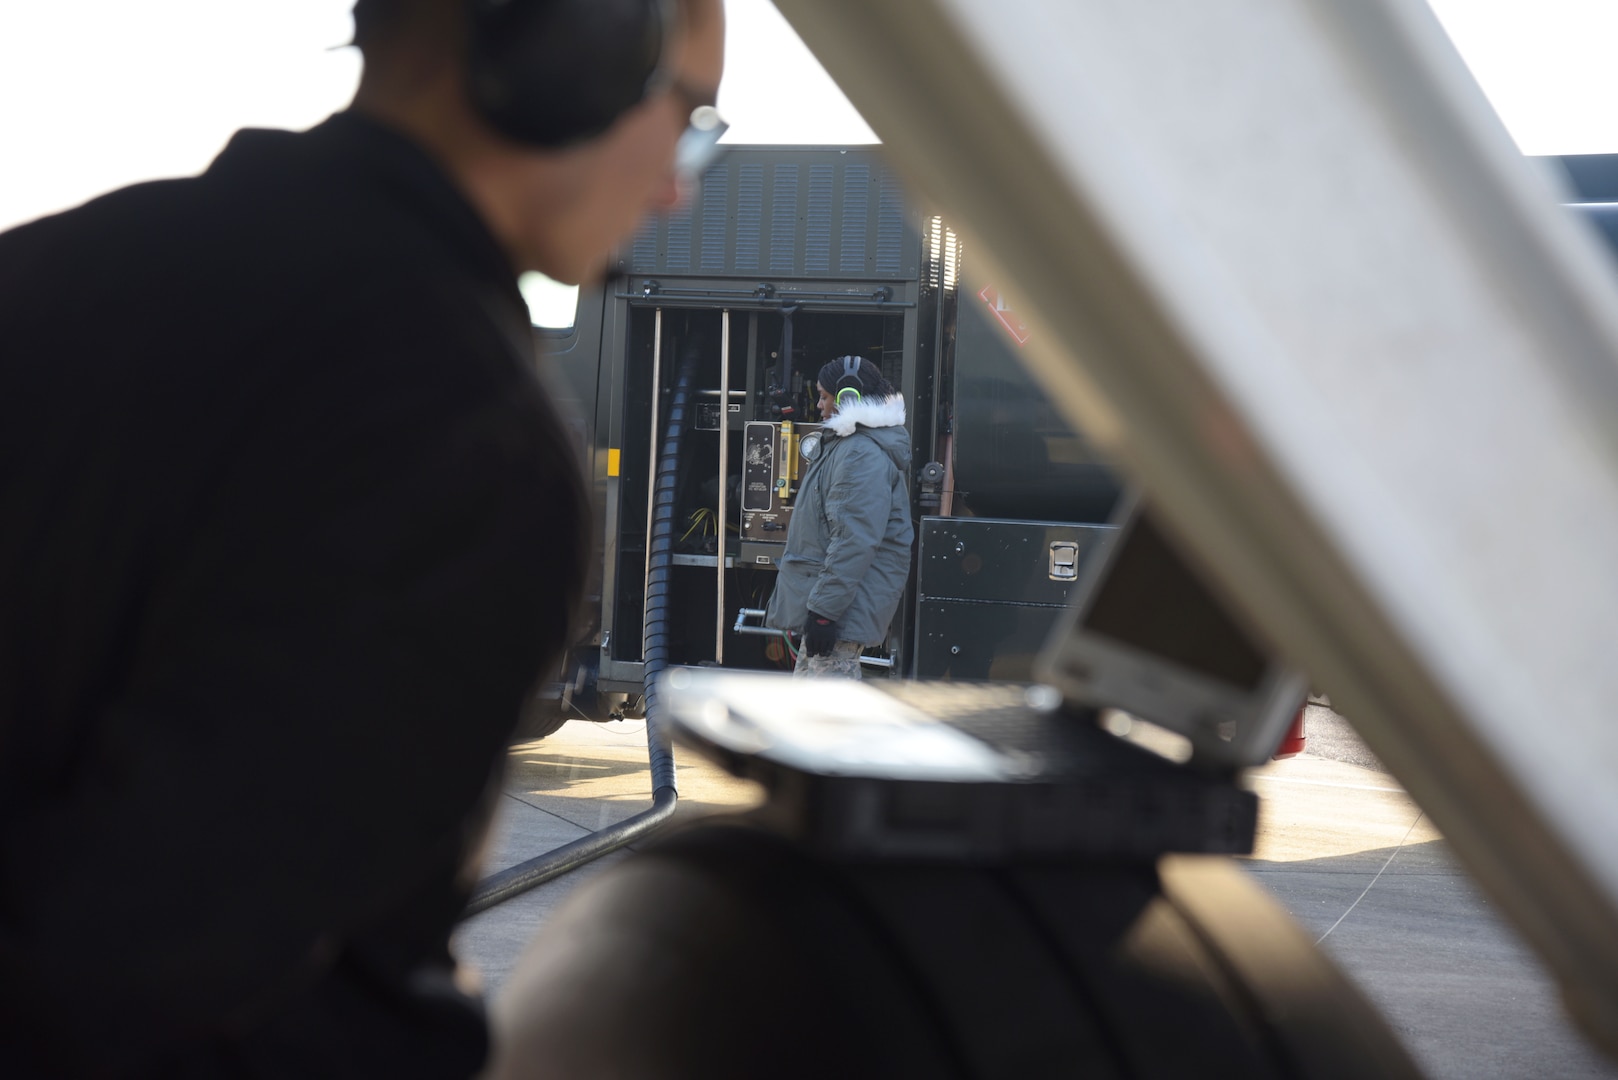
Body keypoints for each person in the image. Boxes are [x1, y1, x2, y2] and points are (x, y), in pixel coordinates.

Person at [0, 0, 724, 1075]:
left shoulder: (51, 271)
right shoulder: (468, 435)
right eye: (692, 115)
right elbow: (144, 975)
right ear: (576, 57)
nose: (676, 183)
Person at [766, 355, 915, 678]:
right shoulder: (850, 447)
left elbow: (853, 540)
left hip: (840, 612)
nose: (818, 405)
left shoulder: (859, 453)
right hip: (836, 606)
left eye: (823, 396)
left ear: (849, 398)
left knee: (826, 719)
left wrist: (823, 613)